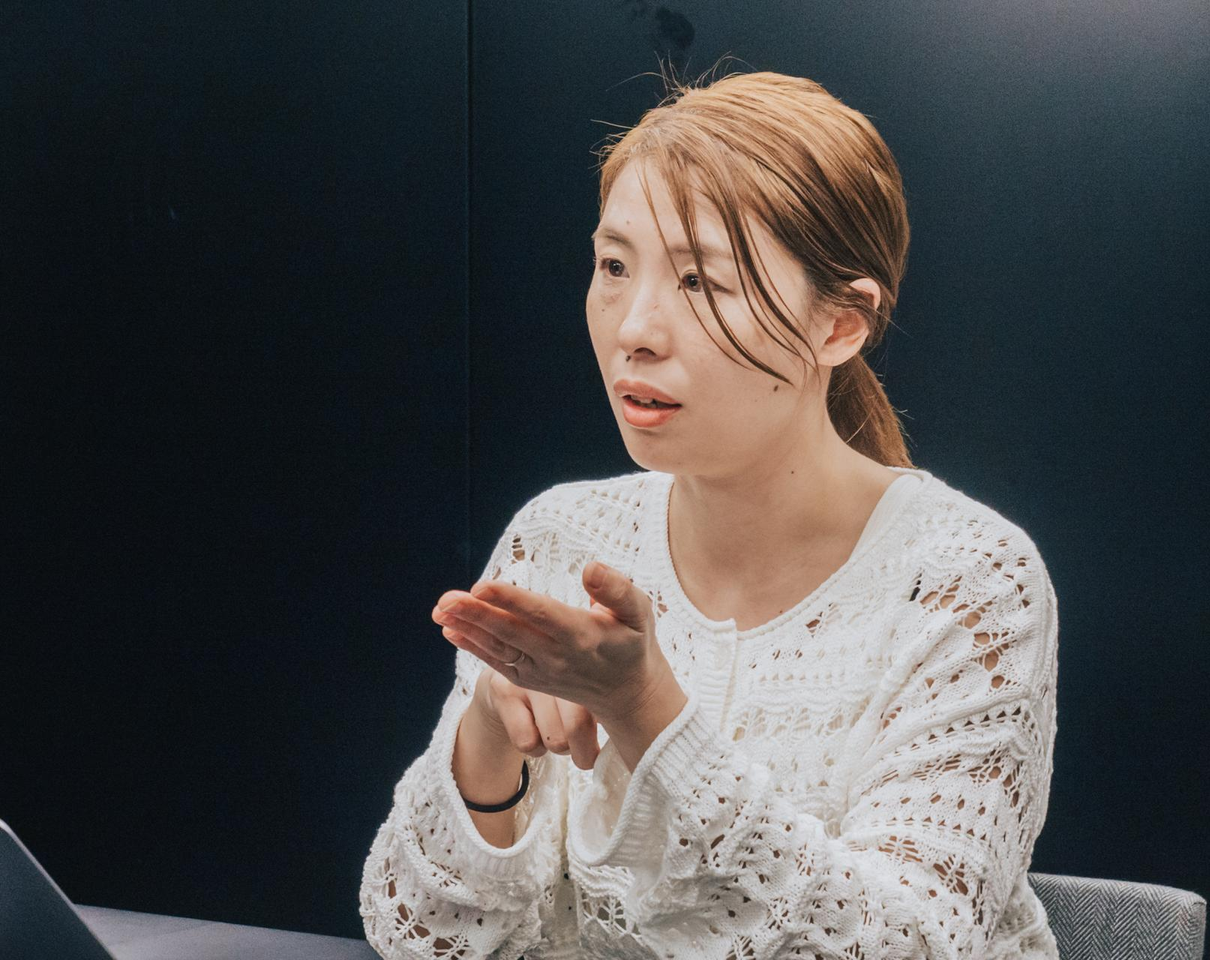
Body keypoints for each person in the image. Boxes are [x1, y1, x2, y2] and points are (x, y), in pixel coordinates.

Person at [359, 62, 1061, 960]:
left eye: (701, 283)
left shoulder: (967, 583)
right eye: (614, 266)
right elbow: (419, 937)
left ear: (839, 325)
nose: (634, 329)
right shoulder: (563, 537)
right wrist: (489, 742)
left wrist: (646, 709)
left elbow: (912, 944)